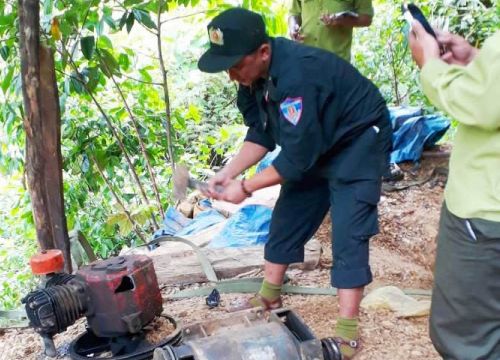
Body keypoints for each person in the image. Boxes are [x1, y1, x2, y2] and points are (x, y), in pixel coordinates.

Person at [197, 7, 392, 359]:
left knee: (349, 230)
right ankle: (269, 296)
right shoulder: (250, 78)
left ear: (264, 52)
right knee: (288, 214)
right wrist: (228, 173)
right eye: (226, 67)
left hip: (356, 140)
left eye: (236, 64)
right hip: (316, 141)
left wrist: (245, 187)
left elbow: (297, 159)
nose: (231, 75)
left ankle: (347, 333)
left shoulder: (299, 75)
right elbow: (261, 133)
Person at [409, 21, 500, 360]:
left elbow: (483, 107)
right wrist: (479, 60)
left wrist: (431, 66)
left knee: (466, 338)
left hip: (486, 212)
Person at [288, 0, 373, 62]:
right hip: (305, 58)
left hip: (336, 61)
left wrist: (340, 20)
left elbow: (366, 19)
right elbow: (294, 13)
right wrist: (293, 27)